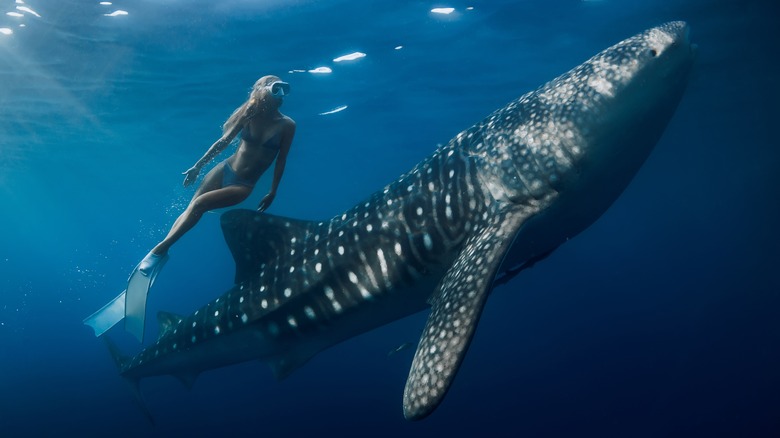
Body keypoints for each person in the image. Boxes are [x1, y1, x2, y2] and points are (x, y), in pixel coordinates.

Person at [138, 75, 296, 275]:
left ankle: (157, 251)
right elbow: (223, 142)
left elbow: (282, 159)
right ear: (263, 92)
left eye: (285, 89)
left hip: (243, 185)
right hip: (225, 168)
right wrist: (198, 166)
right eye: (276, 89)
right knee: (191, 208)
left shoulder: (287, 125)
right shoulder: (249, 114)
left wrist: (273, 191)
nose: (282, 95)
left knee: (199, 205)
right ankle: (164, 250)